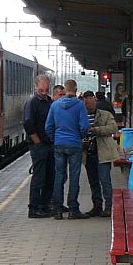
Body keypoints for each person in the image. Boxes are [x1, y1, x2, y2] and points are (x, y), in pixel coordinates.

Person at [45, 79, 91, 220]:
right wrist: (80, 137)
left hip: (59, 144)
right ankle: (73, 210)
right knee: (74, 177)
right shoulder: (79, 105)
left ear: (64, 90)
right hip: (74, 145)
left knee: (59, 177)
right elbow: (85, 126)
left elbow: (48, 127)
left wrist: (55, 138)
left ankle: (57, 210)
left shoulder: (55, 105)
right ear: (76, 90)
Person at [81, 90, 118, 217]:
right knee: (93, 181)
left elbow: (113, 128)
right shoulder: (81, 116)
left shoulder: (105, 115)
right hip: (88, 153)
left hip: (103, 152)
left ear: (95, 101)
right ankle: (96, 206)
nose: (89, 105)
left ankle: (109, 207)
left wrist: (96, 130)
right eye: (86, 103)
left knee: (104, 180)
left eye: (91, 102)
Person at [23, 75, 54, 218]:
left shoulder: (49, 102)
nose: (44, 92)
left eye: (46, 89)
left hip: (49, 144)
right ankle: (34, 208)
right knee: (39, 177)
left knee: (50, 176)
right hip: (39, 146)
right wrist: (37, 141)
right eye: (41, 89)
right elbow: (28, 123)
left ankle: (45, 205)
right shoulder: (32, 103)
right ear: (36, 87)